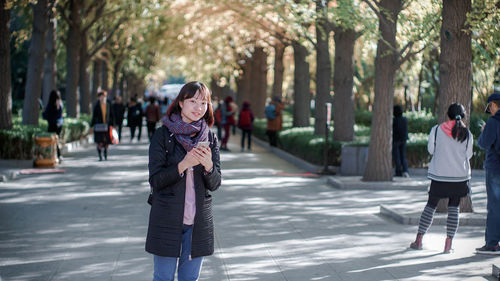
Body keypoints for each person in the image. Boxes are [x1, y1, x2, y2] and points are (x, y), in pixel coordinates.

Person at [146, 81, 221, 281]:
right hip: (167, 218)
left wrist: (208, 166)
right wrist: (183, 164)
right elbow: (155, 180)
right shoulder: (162, 135)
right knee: (163, 278)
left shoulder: (210, 138)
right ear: (181, 103)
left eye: (203, 103)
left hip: (197, 223)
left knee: (190, 279)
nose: (198, 108)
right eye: (193, 101)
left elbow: (215, 183)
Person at [409, 103, 473, 253]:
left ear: (448, 114)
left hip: (439, 176)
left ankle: (418, 240)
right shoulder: (467, 133)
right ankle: (448, 245)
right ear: (463, 116)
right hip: (459, 177)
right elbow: (468, 155)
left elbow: (431, 150)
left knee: (430, 207)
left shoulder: (436, 130)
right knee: (454, 209)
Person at [476, 92, 500, 255]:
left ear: (493, 105)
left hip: (495, 168)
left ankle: (492, 243)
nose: (490, 111)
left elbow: (483, 143)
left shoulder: (493, 122)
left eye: (490, 107)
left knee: (494, 206)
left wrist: (484, 131)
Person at [91, 91, 114, 161]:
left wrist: (113, 124)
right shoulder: (97, 105)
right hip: (98, 126)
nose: (102, 98)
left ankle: (105, 153)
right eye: (101, 96)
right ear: (99, 97)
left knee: (106, 141)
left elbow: (111, 115)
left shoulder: (108, 105)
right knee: (99, 141)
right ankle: (100, 155)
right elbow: (94, 116)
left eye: (104, 96)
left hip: (107, 126)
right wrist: (91, 125)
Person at [42, 90, 64, 161]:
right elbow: (59, 115)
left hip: (52, 126)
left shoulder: (50, 105)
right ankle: (58, 155)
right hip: (59, 126)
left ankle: (52, 156)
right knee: (56, 140)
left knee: (51, 141)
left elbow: (46, 116)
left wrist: (44, 112)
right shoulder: (60, 104)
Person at [393, 105, 409, 177]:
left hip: (396, 140)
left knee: (397, 157)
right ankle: (405, 171)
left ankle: (398, 172)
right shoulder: (405, 119)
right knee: (403, 156)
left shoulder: (394, 120)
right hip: (403, 139)